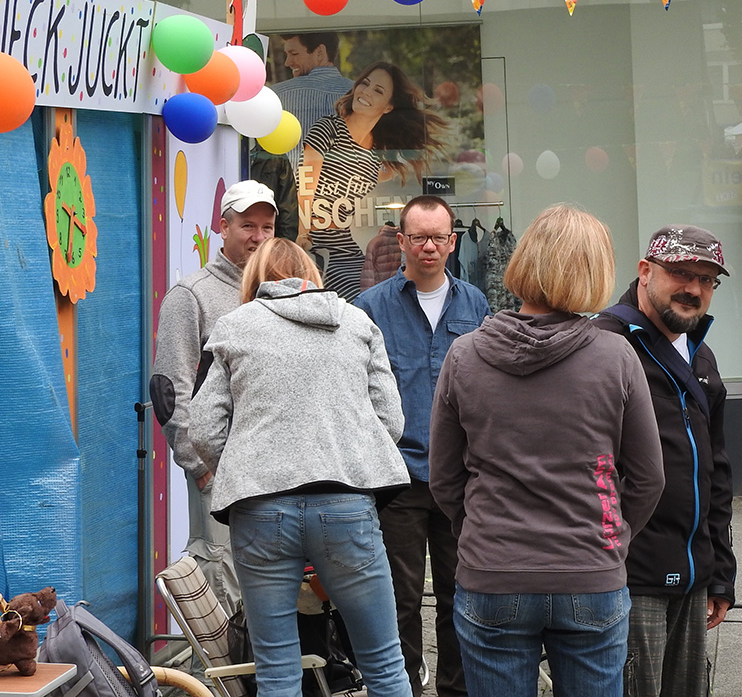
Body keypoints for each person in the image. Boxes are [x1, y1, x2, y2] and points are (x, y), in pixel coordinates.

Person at [429, 205, 666, 697]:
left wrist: (478, 532)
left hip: (492, 570)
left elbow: (445, 479)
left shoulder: (465, 355)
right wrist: (613, 540)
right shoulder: (615, 355)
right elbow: (647, 478)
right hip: (589, 569)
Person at [187, 237, 412, 697]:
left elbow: (204, 431)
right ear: (312, 273)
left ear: (254, 281)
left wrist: (249, 463)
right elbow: (391, 421)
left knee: (276, 668)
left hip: (260, 509)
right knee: (385, 663)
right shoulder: (357, 323)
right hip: (346, 506)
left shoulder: (234, 326)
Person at [590, 224, 736, 697]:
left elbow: (715, 472)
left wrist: (719, 573)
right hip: (630, 575)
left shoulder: (701, 357)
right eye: (679, 273)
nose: (693, 288)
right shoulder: (605, 345)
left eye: (707, 279)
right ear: (645, 271)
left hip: (693, 573)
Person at [353, 195, 490, 697]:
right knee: (398, 599)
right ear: (401, 240)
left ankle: (456, 689)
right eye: (419, 237)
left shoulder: (476, 305)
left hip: (462, 478)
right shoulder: (369, 309)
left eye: (439, 237)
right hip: (398, 477)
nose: (429, 247)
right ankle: (401, 688)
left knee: (463, 596)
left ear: (454, 243)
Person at [149, 179, 277, 617]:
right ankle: (218, 685)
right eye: (247, 226)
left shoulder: (279, 289)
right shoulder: (192, 295)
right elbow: (168, 390)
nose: (258, 238)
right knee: (224, 586)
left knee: (271, 582)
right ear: (222, 227)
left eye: (267, 227)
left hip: (276, 467)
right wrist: (200, 466)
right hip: (218, 470)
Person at [298, 61, 450, 301]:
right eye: (365, 83)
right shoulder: (328, 129)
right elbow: (305, 185)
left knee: (373, 302)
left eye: (378, 90)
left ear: (389, 107)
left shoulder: (376, 155)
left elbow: (388, 175)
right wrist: (301, 235)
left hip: (346, 250)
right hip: (316, 248)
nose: (366, 92)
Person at [252, 32, 354, 240]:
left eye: (294, 53)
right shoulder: (364, 96)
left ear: (320, 52)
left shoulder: (274, 97)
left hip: (293, 214)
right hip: (351, 211)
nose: (288, 62)